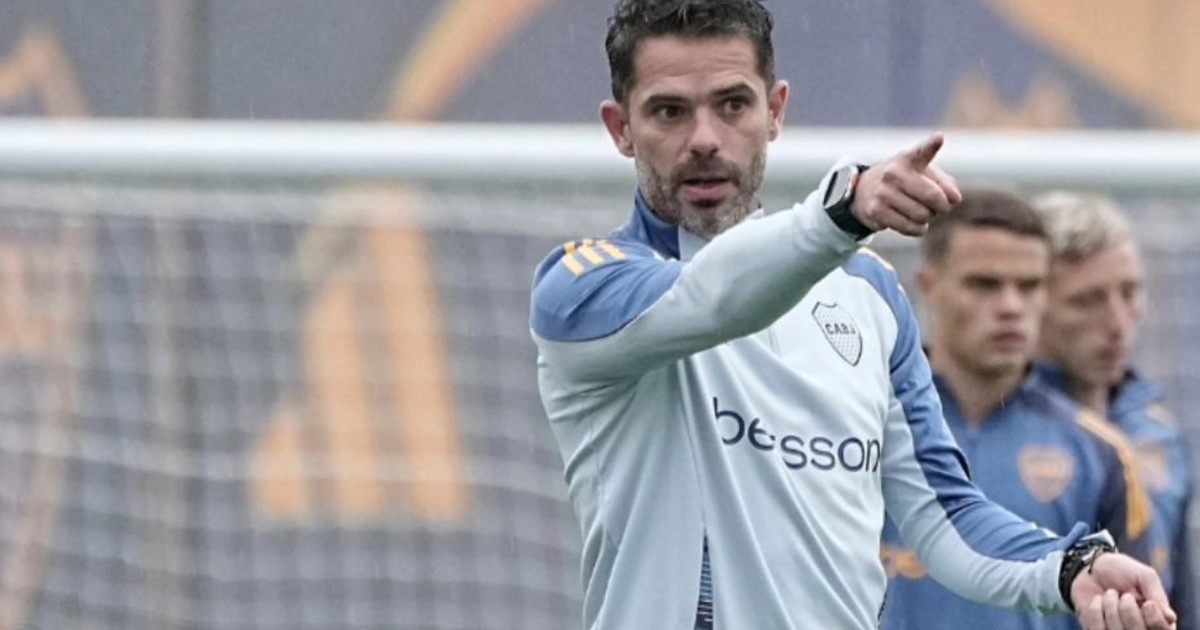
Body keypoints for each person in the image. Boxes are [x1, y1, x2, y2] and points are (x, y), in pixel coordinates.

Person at [528, 1, 1175, 628]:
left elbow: (946, 517)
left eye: (732, 104)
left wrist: (1068, 567)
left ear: (775, 110)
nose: (704, 139)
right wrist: (840, 211)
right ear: (620, 127)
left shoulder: (868, 291)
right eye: (670, 111)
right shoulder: (583, 288)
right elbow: (708, 299)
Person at [879, 189, 1159, 630]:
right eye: (984, 284)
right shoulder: (866, 423)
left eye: (1029, 286)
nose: (1010, 307)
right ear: (929, 286)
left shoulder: (1101, 453)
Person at [1032, 192, 1196, 629]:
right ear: (1033, 301)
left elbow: (1180, 601)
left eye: (1130, 292)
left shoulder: (1157, 432)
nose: (1117, 322)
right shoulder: (997, 429)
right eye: (1087, 300)